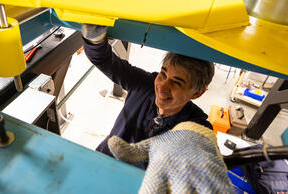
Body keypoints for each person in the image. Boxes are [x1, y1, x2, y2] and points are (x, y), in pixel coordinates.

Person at [81, 24, 215, 169]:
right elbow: (105, 61)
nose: (162, 87)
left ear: (197, 93)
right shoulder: (144, 85)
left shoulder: (196, 129)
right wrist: (94, 39)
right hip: (101, 164)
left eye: (176, 83)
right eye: (163, 74)